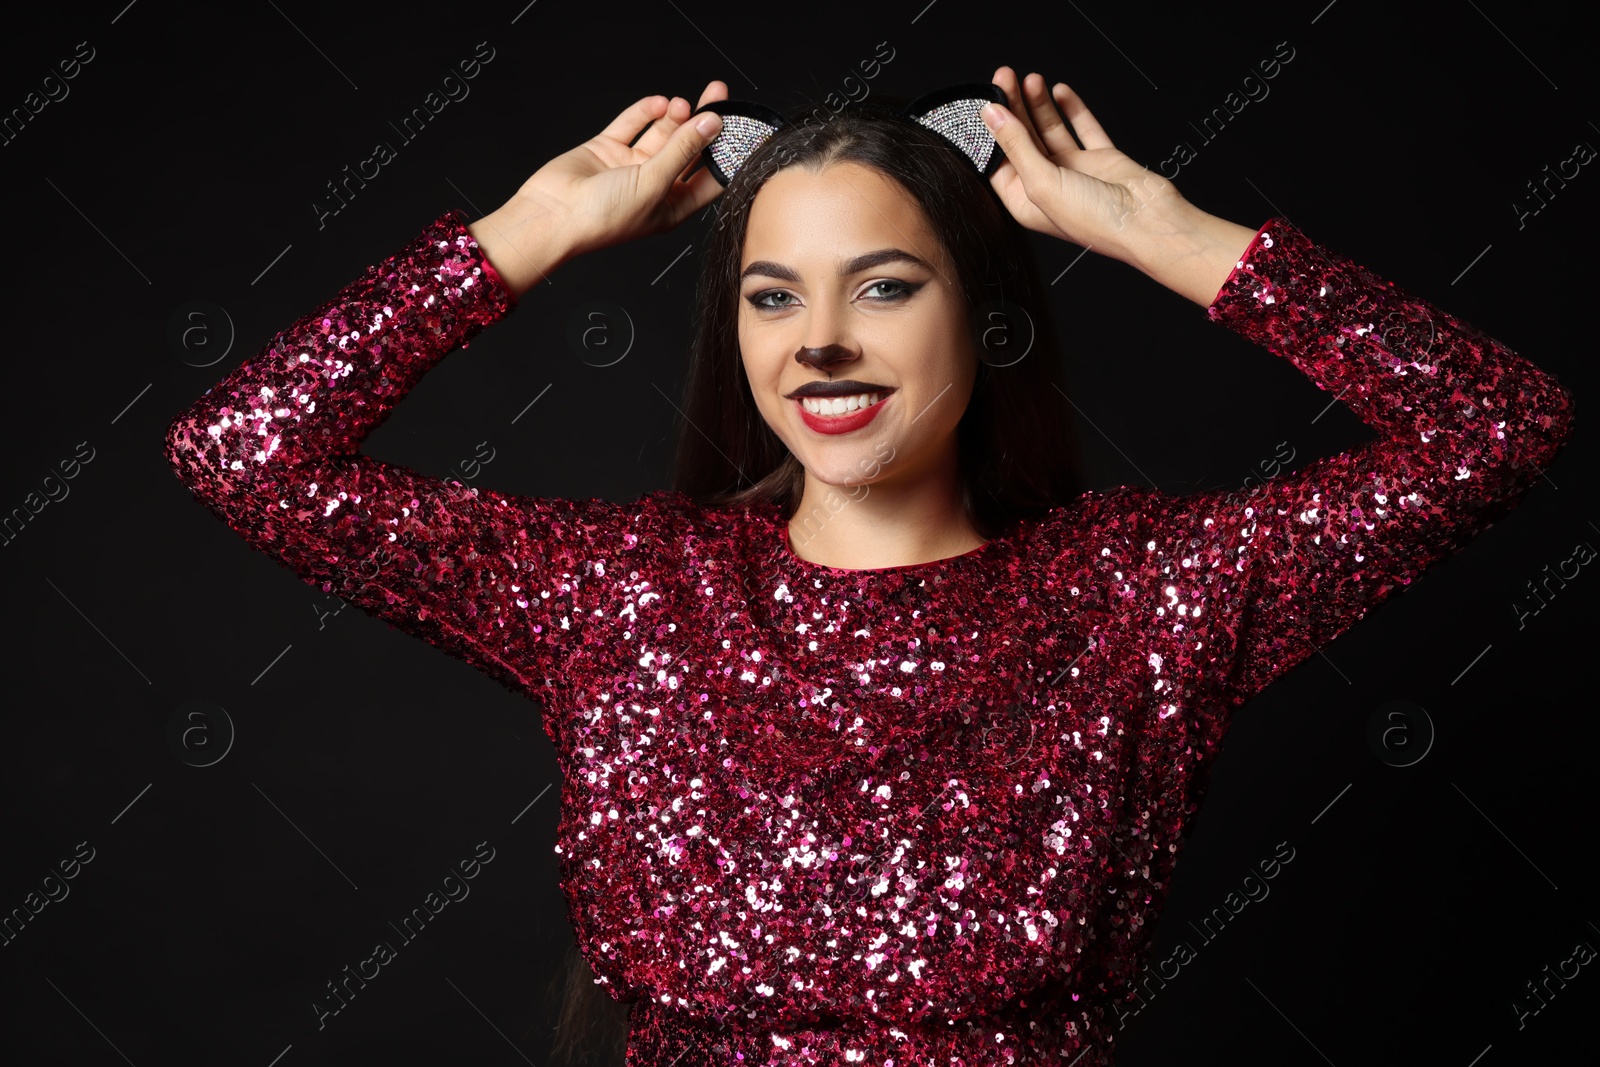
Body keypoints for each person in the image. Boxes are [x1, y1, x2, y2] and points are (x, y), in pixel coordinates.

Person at [163, 66, 1575, 1065]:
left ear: (985, 315)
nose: (819, 341)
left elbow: (1495, 427)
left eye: (885, 286)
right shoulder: (625, 595)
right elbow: (245, 453)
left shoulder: (1141, 596)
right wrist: (529, 235)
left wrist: (1165, 234)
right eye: (773, 296)